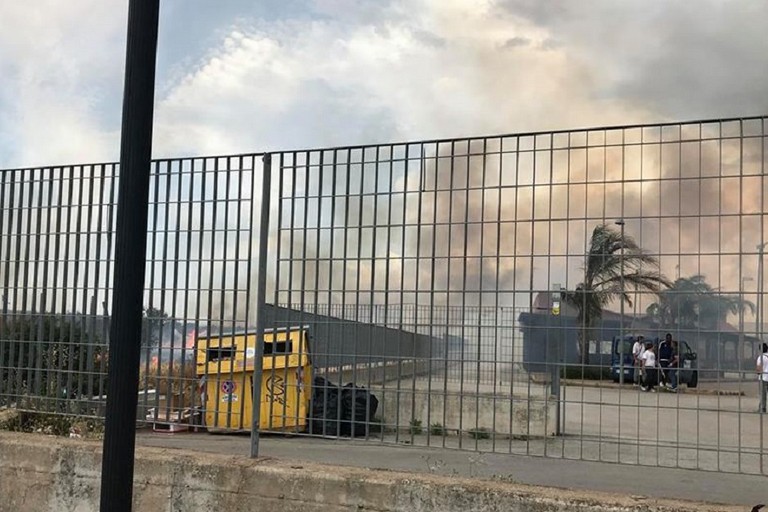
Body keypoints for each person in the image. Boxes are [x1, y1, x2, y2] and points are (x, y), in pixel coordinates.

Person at [756, 343, 768, 413]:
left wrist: (758, 372)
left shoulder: (760, 357)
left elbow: (758, 369)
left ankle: (762, 408)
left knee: (763, 394)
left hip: (763, 378)